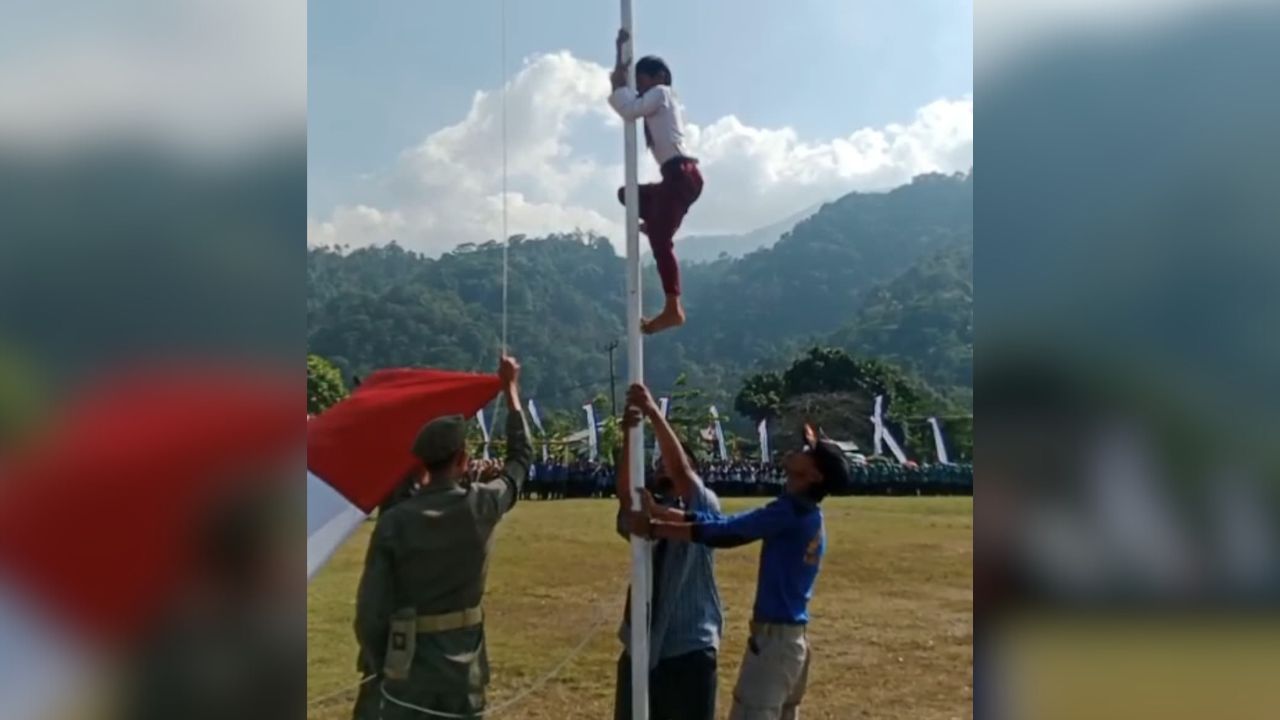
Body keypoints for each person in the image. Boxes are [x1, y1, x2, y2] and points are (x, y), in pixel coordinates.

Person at [351, 355, 531, 720]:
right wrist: (511, 390)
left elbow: (370, 614)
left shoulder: (396, 522)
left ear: (420, 463)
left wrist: (377, 661)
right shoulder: (481, 505)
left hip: (407, 670)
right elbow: (519, 463)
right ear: (463, 458)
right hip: (464, 672)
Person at [640, 424, 851, 720]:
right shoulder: (806, 513)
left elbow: (728, 532)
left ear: (814, 475)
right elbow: (730, 522)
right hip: (790, 645)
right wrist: (665, 513)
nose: (795, 450)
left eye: (807, 451)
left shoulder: (790, 511)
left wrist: (657, 528)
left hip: (774, 646)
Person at [614, 383, 723, 720]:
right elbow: (625, 496)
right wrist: (630, 434)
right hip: (641, 645)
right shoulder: (645, 508)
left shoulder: (705, 506)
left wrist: (653, 413)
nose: (664, 467)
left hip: (687, 646)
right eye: (658, 463)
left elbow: (683, 473)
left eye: (670, 463)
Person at [607, 28, 703, 335]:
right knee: (629, 194)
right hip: (675, 178)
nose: (641, 88)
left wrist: (621, 82)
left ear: (659, 76)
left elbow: (629, 109)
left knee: (661, 242)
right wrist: (620, 58)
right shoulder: (657, 98)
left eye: (643, 80)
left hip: (681, 174)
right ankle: (656, 220)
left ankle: (673, 308)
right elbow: (627, 97)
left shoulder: (661, 93)